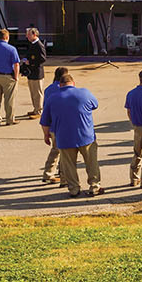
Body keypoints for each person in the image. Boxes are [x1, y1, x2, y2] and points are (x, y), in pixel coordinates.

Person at [40, 67, 102, 198]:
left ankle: (74, 189)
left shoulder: (52, 98)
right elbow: (95, 105)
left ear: (60, 84)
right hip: (86, 136)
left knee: (68, 165)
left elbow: (45, 122)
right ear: (73, 83)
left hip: (64, 137)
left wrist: (46, 135)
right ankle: (94, 186)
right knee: (91, 163)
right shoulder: (84, 92)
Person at [21, 27, 47, 120]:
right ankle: (35, 108)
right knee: (33, 92)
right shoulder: (32, 44)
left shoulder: (39, 45)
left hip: (37, 73)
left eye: (28, 34)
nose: (26, 36)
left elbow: (43, 59)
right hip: (31, 73)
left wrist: (30, 62)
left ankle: (39, 111)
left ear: (34, 35)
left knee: (38, 92)